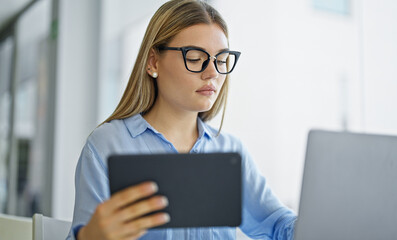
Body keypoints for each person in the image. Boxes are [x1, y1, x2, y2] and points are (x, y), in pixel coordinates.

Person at [66, 0, 297, 239]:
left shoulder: (229, 150)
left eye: (220, 60)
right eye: (196, 58)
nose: (213, 73)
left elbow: (278, 224)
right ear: (153, 62)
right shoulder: (108, 145)